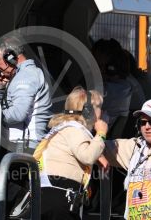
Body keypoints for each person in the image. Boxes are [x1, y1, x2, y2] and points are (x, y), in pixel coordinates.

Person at [33, 86, 108, 220]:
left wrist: (98, 154)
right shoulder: (75, 129)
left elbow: (73, 151)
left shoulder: (64, 127)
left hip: (48, 193)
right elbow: (87, 156)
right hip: (59, 197)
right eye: (98, 107)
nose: (101, 111)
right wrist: (101, 134)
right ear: (88, 111)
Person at [0, 36, 52, 155]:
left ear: (10, 57)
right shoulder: (23, 75)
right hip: (24, 144)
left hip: (27, 146)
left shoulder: (25, 76)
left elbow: (17, 114)